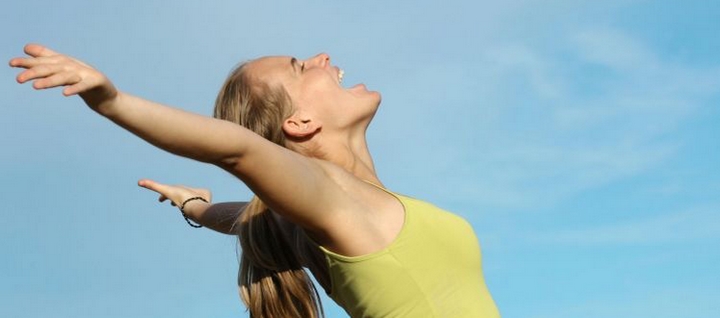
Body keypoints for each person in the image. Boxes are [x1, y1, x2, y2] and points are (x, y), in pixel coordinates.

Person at [10, 43, 500, 318]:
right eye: (300, 67)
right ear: (300, 122)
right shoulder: (333, 201)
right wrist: (113, 101)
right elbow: (237, 149)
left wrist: (195, 207)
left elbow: (247, 220)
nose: (322, 56)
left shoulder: (325, 213)